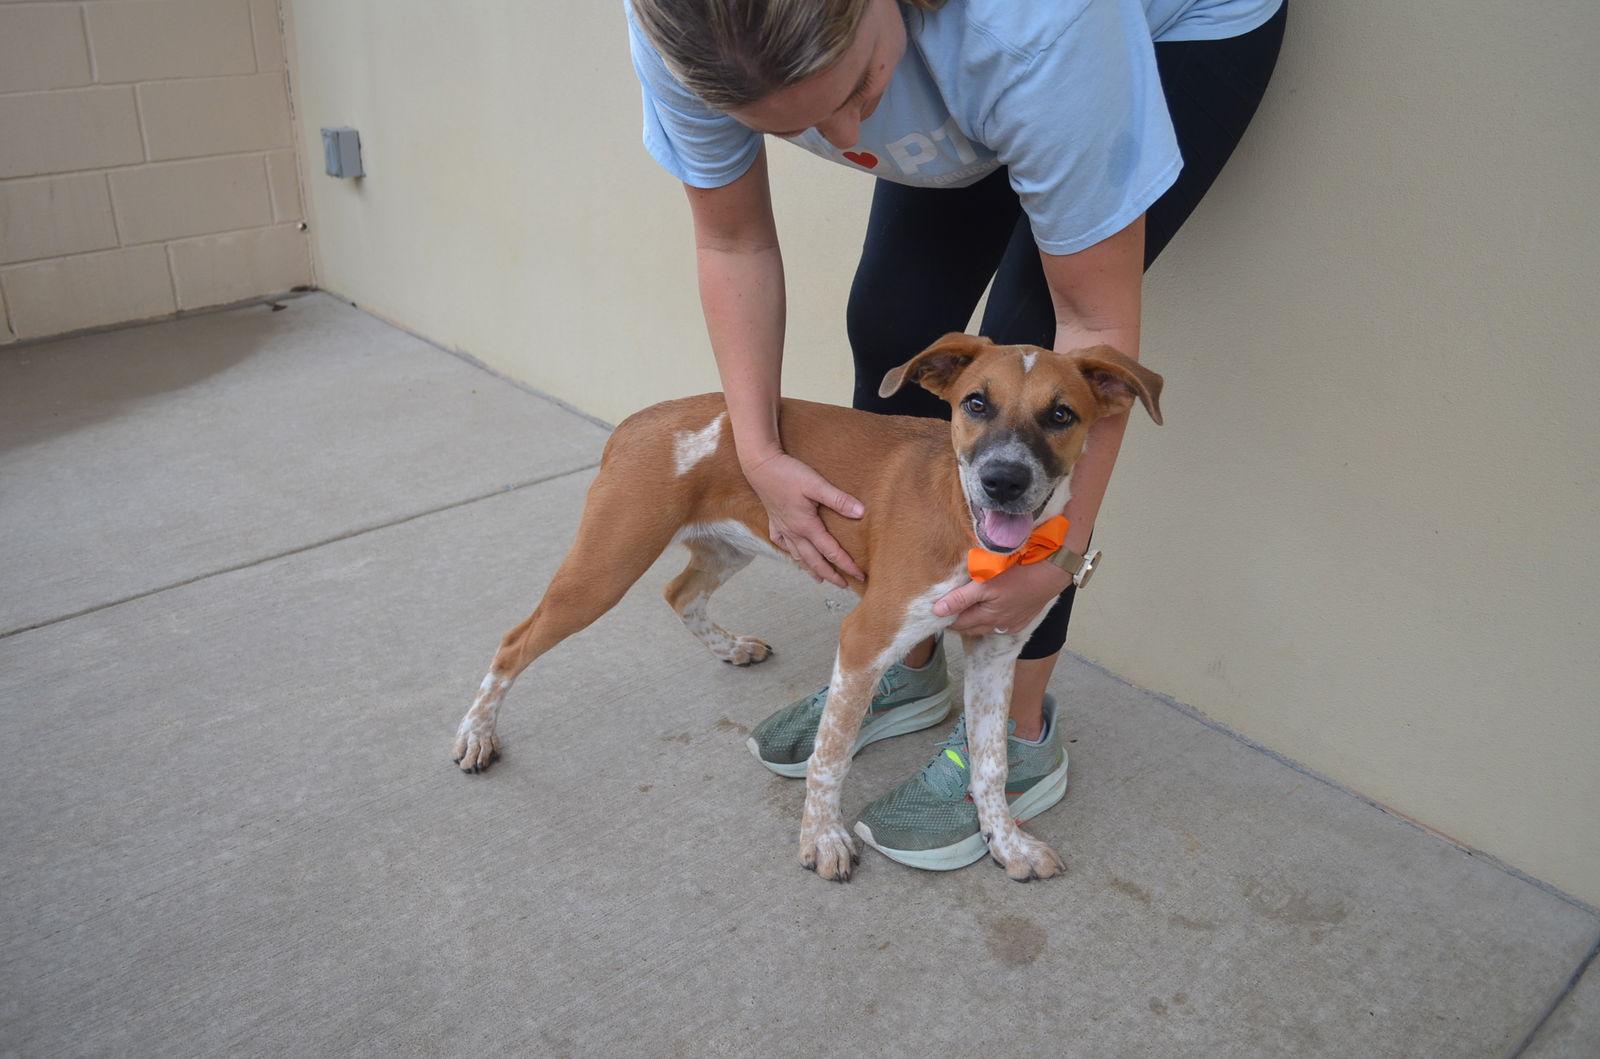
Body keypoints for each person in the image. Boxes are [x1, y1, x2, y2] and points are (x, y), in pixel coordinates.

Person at [624, 0, 1286, 870]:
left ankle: (1021, 730)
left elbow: (1090, 321)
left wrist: (1055, 557)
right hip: (955, 54)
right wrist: (761, 455)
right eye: (796, 129)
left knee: (1028, 331)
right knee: (894, 321)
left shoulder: (1035, 29)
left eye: (857, 86)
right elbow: (734, 241)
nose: (854, 136)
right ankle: (912, 644)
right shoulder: (690, 38)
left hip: (1177, 30)